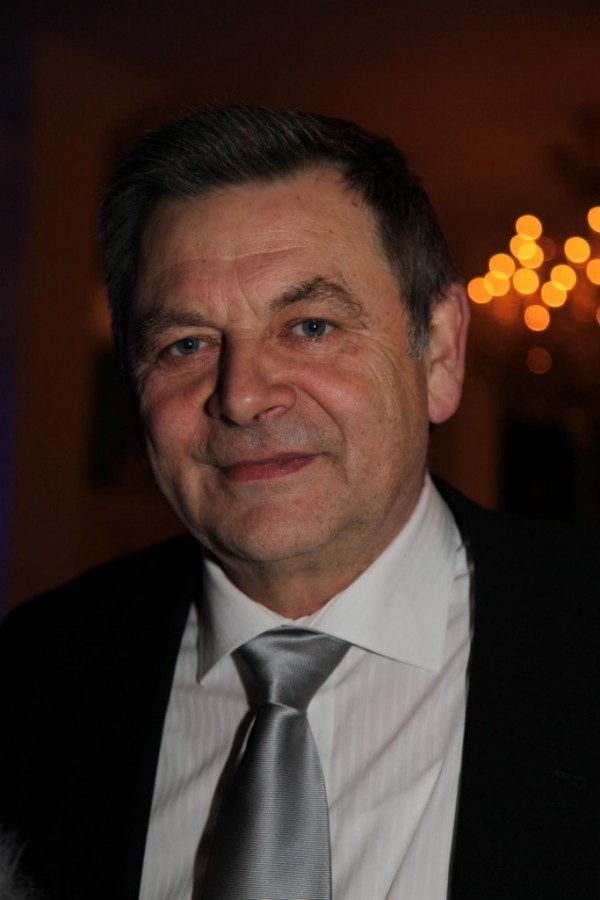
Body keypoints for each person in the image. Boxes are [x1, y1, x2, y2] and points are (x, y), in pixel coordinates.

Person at [0, 104, 598, 900]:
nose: (243, 396)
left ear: (440, 351)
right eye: (185, 344)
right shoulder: (33, 673)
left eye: (311, 326)